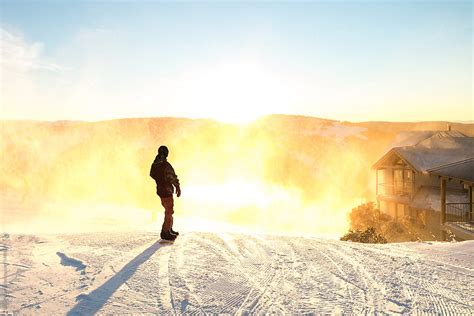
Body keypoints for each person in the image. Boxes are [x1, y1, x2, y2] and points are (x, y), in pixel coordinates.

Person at [149, 145, 181, 241]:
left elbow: (152, 174)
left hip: (160, 190)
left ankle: (169, 229)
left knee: (169, 210)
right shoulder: (165, 165)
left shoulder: (155, 164)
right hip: (166, 190)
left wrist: (159, 180)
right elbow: (172, 177)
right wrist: (177, 186)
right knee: (169, 211)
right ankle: (165, 232)